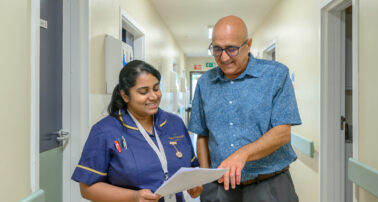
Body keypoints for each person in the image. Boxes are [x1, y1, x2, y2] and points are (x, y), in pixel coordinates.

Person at [189, 16, 301, 202]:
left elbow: (282, 133)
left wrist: (243, 154)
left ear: (248, 44)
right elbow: (202, 134)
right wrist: (205, 178)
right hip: (219, 188)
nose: (224, 57)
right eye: (217, 49)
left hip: (268, 185)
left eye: (231, 49)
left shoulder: (275, 75)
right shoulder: (204, 83)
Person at [72, 60, 202, 202]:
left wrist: (194, 184)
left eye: (156, 88)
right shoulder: (105, 131)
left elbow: (191, 167)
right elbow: (87, 189)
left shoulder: (174, 123)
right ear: (125, 96)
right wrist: (133, 197)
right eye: (143, 92)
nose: (153, 96)